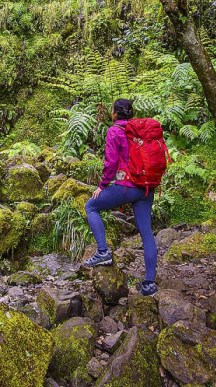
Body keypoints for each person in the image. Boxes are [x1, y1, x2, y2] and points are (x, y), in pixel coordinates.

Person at [82, 98, 159, 296]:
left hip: (127, 186)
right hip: (146, 187)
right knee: (146, 232)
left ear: (115, 113)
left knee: (91, 207)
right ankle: (149, 284)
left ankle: (103, 252)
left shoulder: (115, 130)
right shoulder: (141, 130)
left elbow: (110, 162)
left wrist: (101, 186)